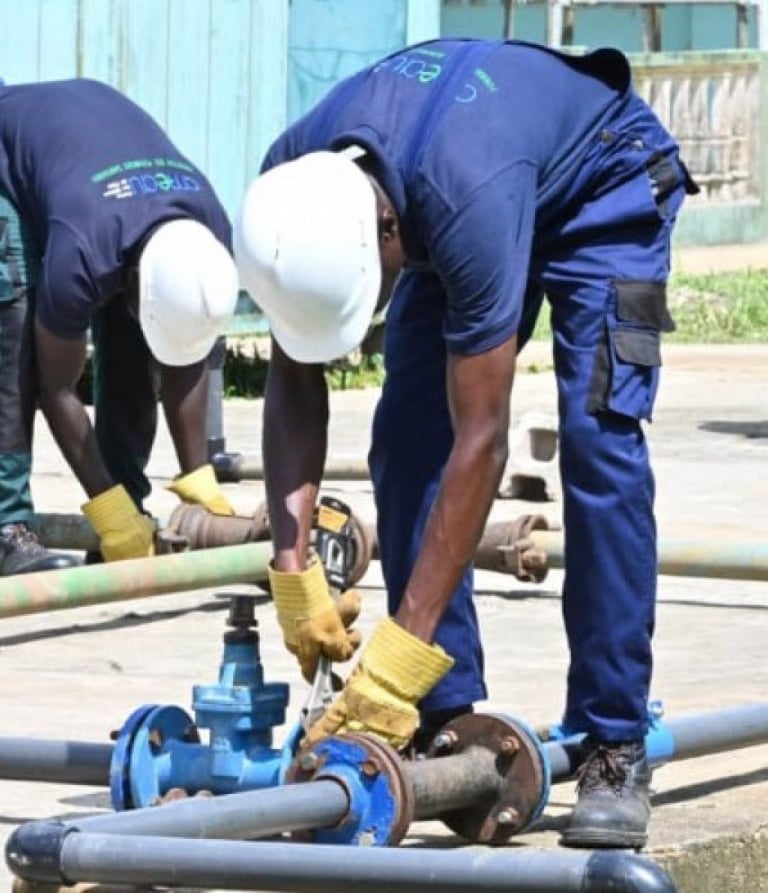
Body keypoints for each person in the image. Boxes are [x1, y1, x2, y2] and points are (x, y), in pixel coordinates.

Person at [233, 38, 699, 849]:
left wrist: (393, 655)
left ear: (388, 232)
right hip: (472, 171)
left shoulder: (464, 202)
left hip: (605, 179)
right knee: (406, 438)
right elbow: (295, 372)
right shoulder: (293, 189)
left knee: (598, 441)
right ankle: (445, 716)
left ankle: (612, 739)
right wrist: (292, 561)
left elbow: (482, 443)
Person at [0, 78, 240, 566]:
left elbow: (185, 353)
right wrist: (106, 510)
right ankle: (8, 527)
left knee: (137, 348)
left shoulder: (209, 234)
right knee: (17, 330)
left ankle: (130, 501)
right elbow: (56, 390)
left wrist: (200, 491)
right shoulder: (84, 247)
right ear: (133, 280)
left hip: (99, 186)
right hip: (10, 156)